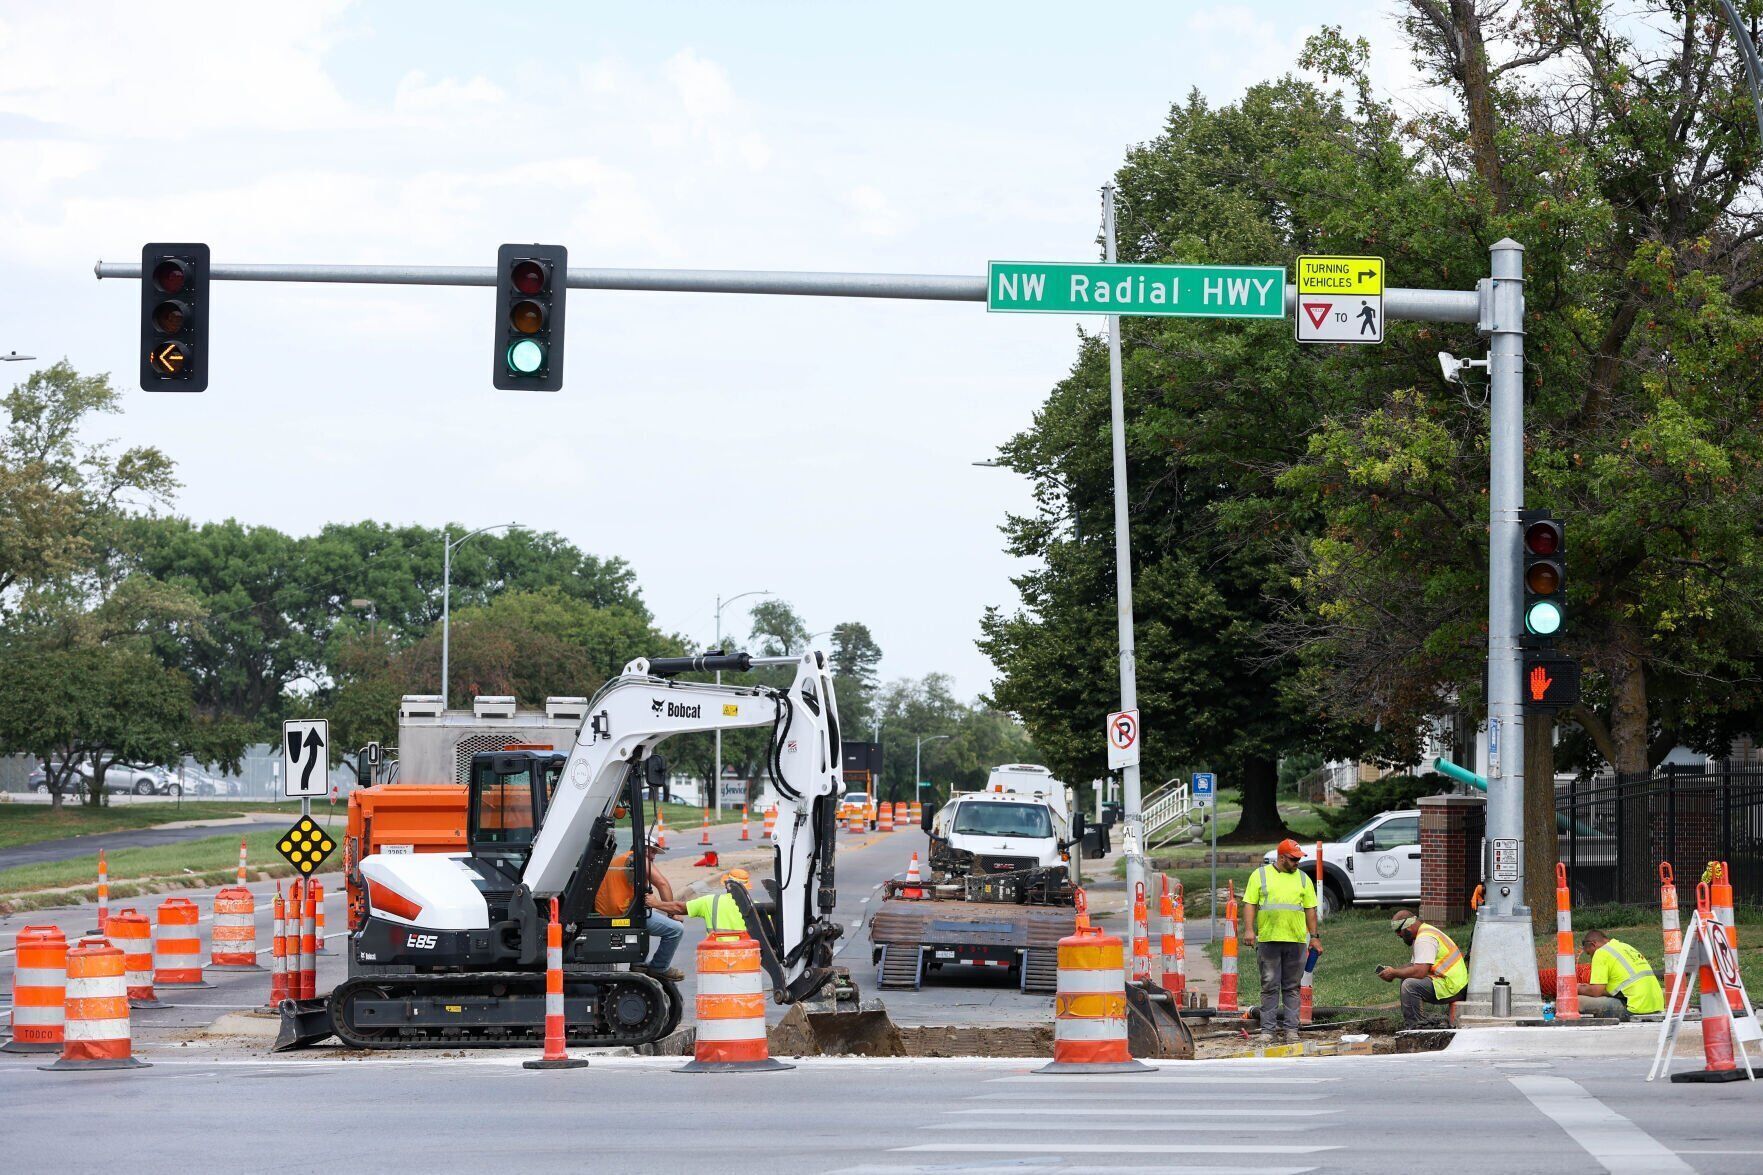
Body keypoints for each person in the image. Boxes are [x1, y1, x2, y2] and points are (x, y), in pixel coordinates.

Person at [1240, 838, 1320, 1043]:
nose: (1297, 863)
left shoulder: (1303, 879)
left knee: (1292, 987)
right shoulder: (1260, 876)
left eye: (1298, 859)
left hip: (1296, 941)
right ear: (1282, 858)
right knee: (1269, 986)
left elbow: (1310, 909)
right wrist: (1249, 930)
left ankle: (1291, 1030)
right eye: (1293, 859)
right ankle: (1268, 1031)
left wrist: (1315, 937)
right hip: (1268, 940)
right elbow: (1250, 903)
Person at [594, 828, 684, 981]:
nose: (654, 857)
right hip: (622, 912)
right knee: (675, 930)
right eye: (653, 852)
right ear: (643, 849)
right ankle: (659, 967)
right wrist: (672, 913)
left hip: (606, 911)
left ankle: (638, 964)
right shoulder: (639, 859)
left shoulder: (620, 859)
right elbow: (662, 884)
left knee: (644, 910)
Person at [1377, 910, 1468, 1027]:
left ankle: (1417, 1028)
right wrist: (1393, 972)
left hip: (1454, 987)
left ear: (1408, 926)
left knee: (1410, 985)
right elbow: (1413, 966)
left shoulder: (1425, 939)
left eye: (1399, 931)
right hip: (1451, 982)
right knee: (1406, 979)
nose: (1398, 935)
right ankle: (1416, 1024)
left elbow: (1420, 972)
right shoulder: (1423, 933)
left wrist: (1394, 973)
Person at [1577, 930, 1664, 1019]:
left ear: (1593, 944)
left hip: (1635, 1008)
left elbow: (1595, 991)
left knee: (1575, 1001)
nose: (1591, 957)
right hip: (1656, 1005)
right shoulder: (1625, 947)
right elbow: (1616, 989)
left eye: (1589, 953)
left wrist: (1575, 988)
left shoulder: (1600, 952)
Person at [660, 868, 752, 935]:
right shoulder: (756, 906)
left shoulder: (710, 901)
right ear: (747, 887)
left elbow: (678, 908)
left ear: (726, 885)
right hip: (747, 955)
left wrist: (655, 903)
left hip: (716, 954)